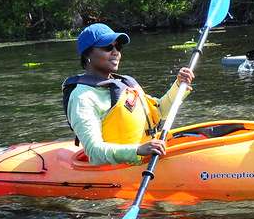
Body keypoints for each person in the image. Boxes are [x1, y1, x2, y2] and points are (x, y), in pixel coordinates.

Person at [62, 23, 193, 165]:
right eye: (107, 47)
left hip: (152, 157)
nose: (115, 52)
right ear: (87, 54)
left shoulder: (125, 83)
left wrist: (179, 85)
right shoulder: (83, 97)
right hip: (122, 169)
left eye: (118, 47)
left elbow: (160, 111)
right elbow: (94, 151)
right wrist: (137, 150)